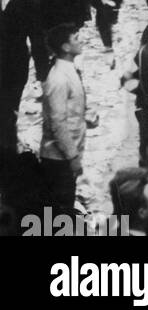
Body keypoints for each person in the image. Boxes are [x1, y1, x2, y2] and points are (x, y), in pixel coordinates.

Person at [40, 23, 88, 214]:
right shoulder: (59, 78)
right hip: (59, 159)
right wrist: (73, 156)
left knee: (64, 206)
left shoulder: (68, 70)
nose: (81, 40)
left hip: (65, 155)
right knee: (60, 210)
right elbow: (57, 122)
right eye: (75, 38)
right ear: (65, 47)